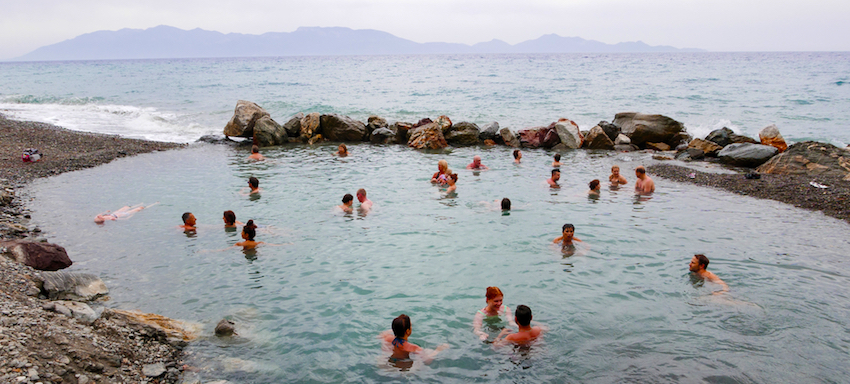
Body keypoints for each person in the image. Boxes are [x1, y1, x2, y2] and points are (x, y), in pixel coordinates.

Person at [380, 314, 448, 365]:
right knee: (428, 351)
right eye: (410, 326)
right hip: (402, 368)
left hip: (388, 363)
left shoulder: (387, 338)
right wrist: (438, 350)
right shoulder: (414, 348)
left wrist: (398, 327)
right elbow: (427, 360)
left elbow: (381, 334)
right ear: (407, 331)